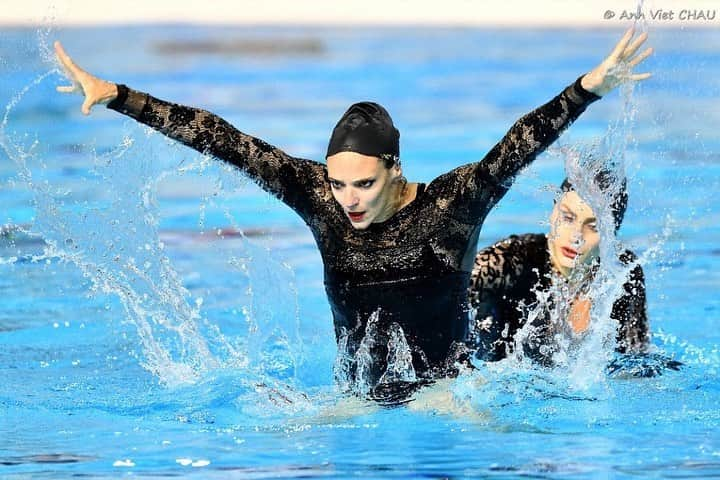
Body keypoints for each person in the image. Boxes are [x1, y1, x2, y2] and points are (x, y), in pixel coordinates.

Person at [54, 27, 652, 398]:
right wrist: (119, 97)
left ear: (395, 168)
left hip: (449, 398)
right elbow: (225, 139)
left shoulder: (450, 207)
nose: (350, 200)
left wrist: (587, 89)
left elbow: (515, 146)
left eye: (363, 184)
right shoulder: (321, 200)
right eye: (338, 184)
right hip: (353, 402)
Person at [467, 172, 649, 364]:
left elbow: (634, 356)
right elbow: (451, 294)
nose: (576, 236)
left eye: (593, 227)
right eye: (568, 218)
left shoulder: (621, 272)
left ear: (611, 234)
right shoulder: (508, 260)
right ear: (553, 212)